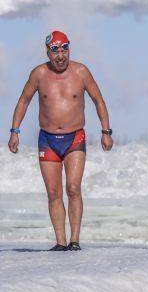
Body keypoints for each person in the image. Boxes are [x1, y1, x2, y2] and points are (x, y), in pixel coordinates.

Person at [7, 31, 113, 251]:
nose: (61, 56)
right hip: (47, 140)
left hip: (75, 137)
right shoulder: (39, 74)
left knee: (73, 188)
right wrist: (14, 130)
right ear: (48, 52)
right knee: (54, 193)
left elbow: (98, 100)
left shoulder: (81, 72)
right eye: (56, 51)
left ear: (69, 49)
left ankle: (74, 240)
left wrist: (106, 131)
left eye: (65, 50)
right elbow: (23, 101)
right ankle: (60, 242)